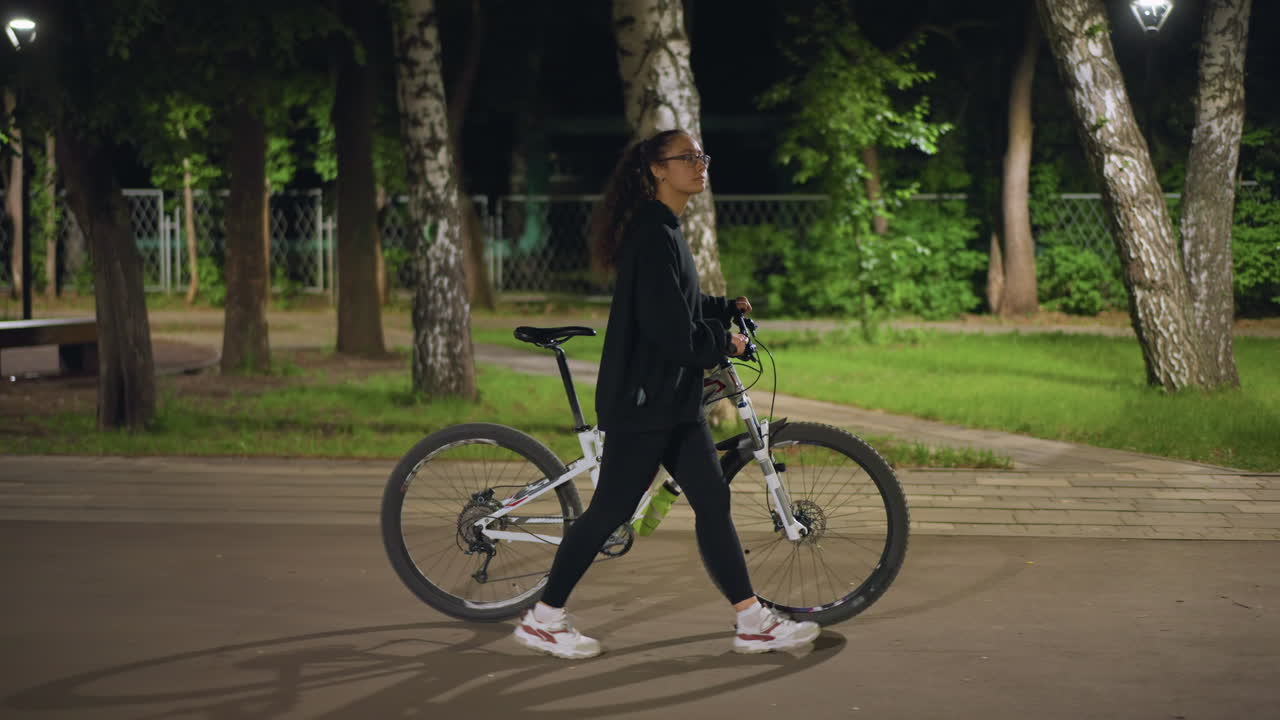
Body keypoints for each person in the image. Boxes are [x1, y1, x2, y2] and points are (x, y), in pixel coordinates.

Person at [511, 129, 820, 659]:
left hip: (671, 400)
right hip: (644, 402)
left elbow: (681, 301)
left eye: (702, 155)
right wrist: (725, 341)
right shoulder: (652, 234)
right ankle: (543, 618)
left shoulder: (664, 228)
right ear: (657, 169)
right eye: (686, 157)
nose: (700, 165)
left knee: (712, 499)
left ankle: (751, 621)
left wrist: (722, 309)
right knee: (610, 511)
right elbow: (669, 330)